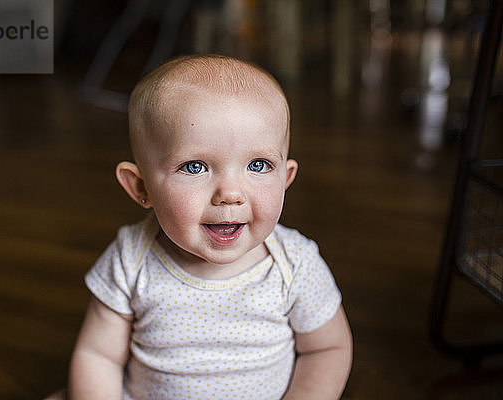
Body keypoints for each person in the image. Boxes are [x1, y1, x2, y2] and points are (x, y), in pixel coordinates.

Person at [60, 54, 352, 400]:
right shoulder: (131, 259)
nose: (230, 194)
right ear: (141, 187)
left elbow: (327, 350)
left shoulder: (296, 265)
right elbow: (99, 356)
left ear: (285, 179)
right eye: (195, 167)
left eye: (258, 165)